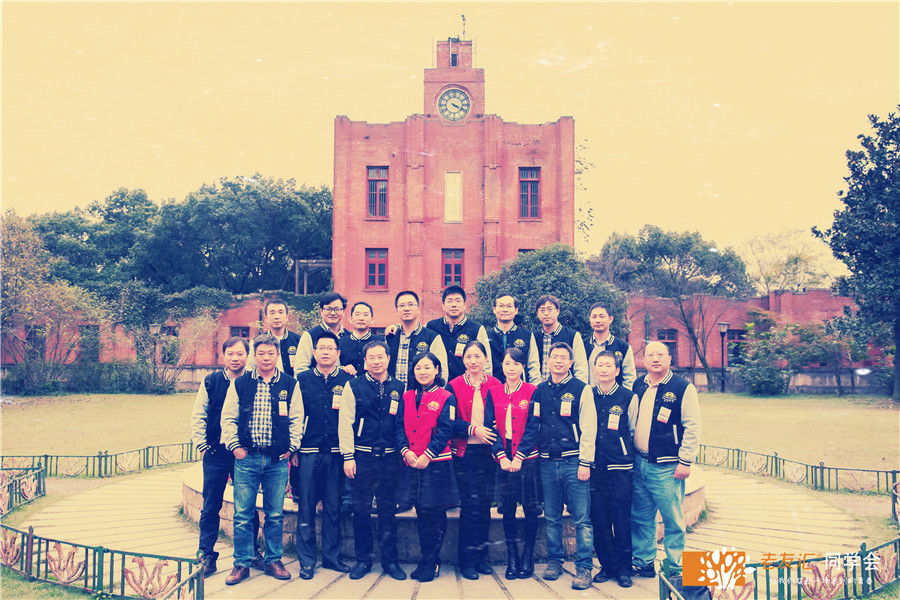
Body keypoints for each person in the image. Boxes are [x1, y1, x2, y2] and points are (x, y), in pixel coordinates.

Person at [220, 333, 303, 586]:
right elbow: (228, 418)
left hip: (277, 461)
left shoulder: (290, 384)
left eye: (271, 353)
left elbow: (297, 418)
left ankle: (273, 560)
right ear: (254, 356)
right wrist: (235, 447)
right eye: (261, 353)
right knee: (243, 515)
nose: (266, 358)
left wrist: (291, 448)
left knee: (275, 514)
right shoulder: (241, 383)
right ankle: (241, 563)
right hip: (247, 458)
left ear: (277, 355)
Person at [190, 337, 263, 577]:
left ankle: (252, 552)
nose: (235, 358)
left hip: (243, 453)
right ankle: (206, 555)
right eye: (230, 354)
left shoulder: (253, 381)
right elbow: (199, 414)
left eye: (240, 354)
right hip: (216, 452)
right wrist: (202, 446)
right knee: (211, 505)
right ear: (223, 356)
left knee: (247, 505)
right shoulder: (211, 381)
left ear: (247, 356)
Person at [630, 341, 702, 578]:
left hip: (667, 466)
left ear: (670, 359)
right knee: (641, 517)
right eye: (650, 354)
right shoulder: (638, 385)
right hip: (639, 462)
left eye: (660, 354)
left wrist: (685, 461)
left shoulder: (683, 388)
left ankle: (676, 566)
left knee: (672, 518)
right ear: (644, 360)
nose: (655, 359)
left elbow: (692, 427)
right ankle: (643, 561)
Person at [338, 340, 408, 581]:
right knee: (361, 511)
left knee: (388, 511)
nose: (376, 361)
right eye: (371, 358)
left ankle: (390, 561)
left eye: (381, 357)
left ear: (388, 359)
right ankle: (363, 560)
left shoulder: (399, 386)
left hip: (390, 459)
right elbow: (345, 422)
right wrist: (348, 456)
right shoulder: (354, 386)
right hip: (362, 457)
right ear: (365, 361)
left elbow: (403, 423)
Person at [533, 342, 597, 590]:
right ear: (548, 361)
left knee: (581, 518)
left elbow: (588, 427)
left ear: (571, 362)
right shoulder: (540, 390)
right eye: (554, 356)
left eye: (563, 357)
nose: (558, 361)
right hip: (547, 462)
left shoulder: (581, 389)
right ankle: (555, 561)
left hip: (574, 462)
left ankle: (584, 567)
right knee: (551, 516)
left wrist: (585, 462)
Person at [291, 331, 352, 579]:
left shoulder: (347, 380)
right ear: (314, 352)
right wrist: (294, 448)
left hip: (336, 453)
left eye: (331, 348)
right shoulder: (301, 379)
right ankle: (306, 561)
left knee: (333, 507)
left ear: (338, 353)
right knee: (306, 507)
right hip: (308, 452)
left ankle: (331, 557)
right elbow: (294, 415)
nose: (326, 352)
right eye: (321, 348)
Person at [394, 352, 460, 583]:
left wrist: (428, 455)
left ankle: (432, 560)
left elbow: (446, 430)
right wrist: (405, 451)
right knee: (421, 511)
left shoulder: (446, 396)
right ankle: (426, 558)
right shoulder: (406, 396)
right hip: (411, 462)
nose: (422, 372)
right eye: (418, 368)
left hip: (436, 463)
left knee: (435, 511)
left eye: (427, 367)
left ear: (436, 370)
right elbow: (398, 427)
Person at [484, 348, 540, 580]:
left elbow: (534, 426)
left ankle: (528, 556)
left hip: (527, 459)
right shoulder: (494, 392)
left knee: (530, 508)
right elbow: (489, 426)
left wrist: (519, 457)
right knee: (507, 509)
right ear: (502, 366)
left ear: (523, 366)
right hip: (503, 460)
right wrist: (501, 456)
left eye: (516, 364)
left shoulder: (532, 391)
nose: (511, 368)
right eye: (507, 363)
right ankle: (513, 557)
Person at [446, 340, 500, 579]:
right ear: (463, 359)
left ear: (486, 359)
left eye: (478, 356)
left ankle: (481, 558)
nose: (473, 361)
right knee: (469, 505)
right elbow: (448, 421)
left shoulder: (495, 384)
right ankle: (466, 561)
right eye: (468, 356)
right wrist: (472, 429)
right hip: (465, 453)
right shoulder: (454, 385)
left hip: (489, 453)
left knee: (485, 505)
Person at [589, 351, 638, 588]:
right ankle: (606, 566)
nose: (604, 369)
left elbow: (633, 430)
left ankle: (624, 568)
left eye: (609, 365)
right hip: (594, 468)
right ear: (594, 369)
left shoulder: (628, 396)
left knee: (621, 519)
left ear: (618, 370)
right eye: (600, 365)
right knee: (599, 519)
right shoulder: (588, 394)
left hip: (620, 468)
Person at [426, 285, 492, 381]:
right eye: (449, 301)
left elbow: (486, 363)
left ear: (465, 305)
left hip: (467, 384)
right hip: (436, 385)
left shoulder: (477, 329)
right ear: (443, 305)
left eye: (458, 301)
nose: (454, 305)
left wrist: (484, 385)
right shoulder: (430, 326)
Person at [386, 290, 448, 391]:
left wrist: (434, 395)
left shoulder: (432, 337)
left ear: (418, 309)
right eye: (402, 305)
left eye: (411, 304)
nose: (406, 308)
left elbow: (442, 371)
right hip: (393, 395)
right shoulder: (390, 337)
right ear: (396, 310)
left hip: (421, 396)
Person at [485, 294, 542, 384]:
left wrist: (535, 389)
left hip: (521, 389)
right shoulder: (485, 336)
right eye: (501, 306)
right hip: (493, 389)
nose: (505, 310)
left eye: (509, 306)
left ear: (516, 310)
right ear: (494, 309)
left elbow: (533, 367)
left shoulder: (527, 335)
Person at [534, 295, 589, 384]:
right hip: (539, 389)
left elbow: (580, 369)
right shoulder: (533, 337)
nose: (546, 313)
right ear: (537, 313)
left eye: (550, 309)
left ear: (558, 311)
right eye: (542, 310)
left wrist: (578, 389)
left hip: (566, 389)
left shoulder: (573, 336)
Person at [586, 301, 636, 390]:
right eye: (594, 317)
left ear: (610, 319)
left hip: (615, 397)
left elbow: (629, 378)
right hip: (588, 396)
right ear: (590, 319)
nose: (597, 320)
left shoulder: (623, 347)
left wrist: (623, 396)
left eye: (602, 316)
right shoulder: (583, 345)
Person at [295, 292, 349, 372]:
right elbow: (300, 369)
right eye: (328, 309)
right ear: (321, 311)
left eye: (337, 309)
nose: (333, 313)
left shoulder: (349, 336)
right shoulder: (309, 335)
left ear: (343, 312)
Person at [254, 298, 302, 377]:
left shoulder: (299, 340)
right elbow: (250, 368)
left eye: (280, 312)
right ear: (266, 318)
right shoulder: (256, 342)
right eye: (272, 313)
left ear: (287, 317)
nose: (276, 317)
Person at [339, 301, 382, 377]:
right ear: (350, 319)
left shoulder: (380, 342)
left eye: (365, 315)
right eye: (357, 314)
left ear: (372, 320)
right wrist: (342, 368)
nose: (361, 318)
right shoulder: (340, 342)